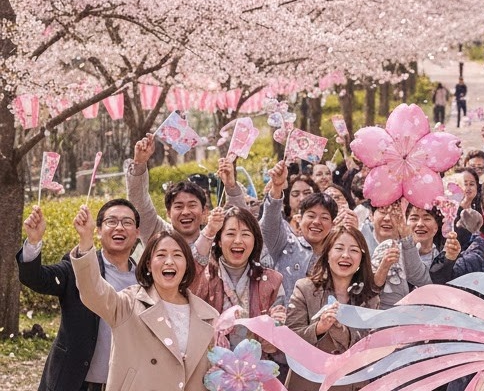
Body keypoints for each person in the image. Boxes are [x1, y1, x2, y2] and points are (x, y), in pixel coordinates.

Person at [70, 205, 217, 391]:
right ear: (148, 264)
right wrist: (85, 241)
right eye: (161, 255)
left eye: (177, 255)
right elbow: (93, 291)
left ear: (187, 265)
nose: (169, 262)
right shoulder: (127, 304)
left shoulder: (208, 316)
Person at [19, 200, 140, 391]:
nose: (119, 227)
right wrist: (33, 242)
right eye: (111, 221)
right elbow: (36, 278)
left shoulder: (145, 279)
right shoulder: (78, 266)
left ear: (137, 232)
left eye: (127, 222)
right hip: (74, 382)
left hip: (125, 384)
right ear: (98, 230)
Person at [285, 225, 380, 391]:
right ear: (327, 254)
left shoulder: (370, 299)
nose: (346, 255)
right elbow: (289, 339)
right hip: (307, 384)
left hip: (349, 384)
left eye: (354, 250)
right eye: (339, 248)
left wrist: (341, 331)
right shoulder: (305, 288)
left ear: (361, 259)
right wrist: (319, 328)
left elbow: (369, 348)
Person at [192, 206, 286, 357]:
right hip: (208, 364)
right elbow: (191, 266)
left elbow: (280, 334)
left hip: (255, 366)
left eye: (245, 234)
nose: (238, 241)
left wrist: (276, 331)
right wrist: (210, 230)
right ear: (219, 241)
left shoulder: (272, 281)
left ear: (255, 241)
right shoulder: (204, 276)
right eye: (230, 234)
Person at [261, 160, 341, 301]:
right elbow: (270, 225)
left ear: (333, 224)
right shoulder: (285, 245)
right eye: (311, 216)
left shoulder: (339, 254)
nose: (316, 222)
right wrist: (277, 187)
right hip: (285, 313)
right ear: (300, 219)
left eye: (324, 217)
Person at [127, 133, 223, 245]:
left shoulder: (217, 240)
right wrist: (139, 163)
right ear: (168, 213)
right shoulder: (157, 233)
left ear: (204, 211)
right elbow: (139, 202)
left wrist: (231, 187)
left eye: (192, 205)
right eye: (178, 206)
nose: (186, 212)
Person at [367, 203, 432, 309]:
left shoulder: (411, 246)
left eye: (394, 213)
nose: (387, 218)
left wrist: (407, 241)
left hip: (400, 314)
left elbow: (422, 281)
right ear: (371, 215)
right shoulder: (359, 242)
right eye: (382, 211)